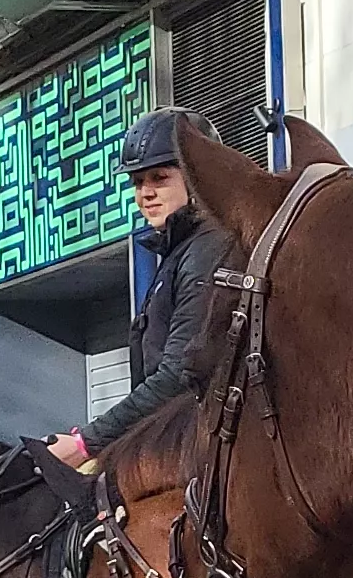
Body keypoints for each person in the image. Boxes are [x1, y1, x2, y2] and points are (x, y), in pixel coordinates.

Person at [46, 109, 231, 470]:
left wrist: (87, 442)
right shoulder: (182, 251)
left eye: (159, 178)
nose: (145, 193)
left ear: (197, 178)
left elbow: (181, 374)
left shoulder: (210, 248)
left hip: (205, 463)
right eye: (137, 182)